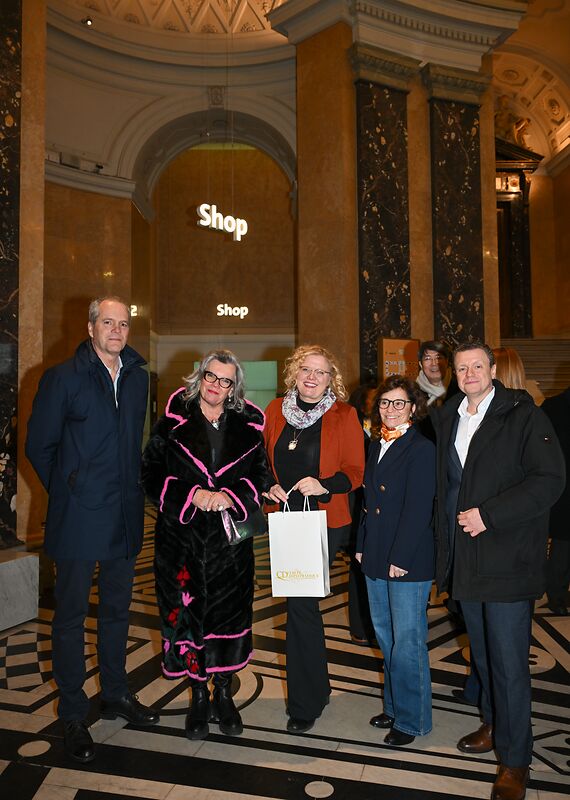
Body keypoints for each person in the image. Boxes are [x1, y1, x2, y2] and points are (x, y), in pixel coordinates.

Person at [26, 296, 159, 764]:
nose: (116, 330)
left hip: (125, 515)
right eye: (108, 322)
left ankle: (116, 693)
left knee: (117, 611)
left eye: (123, 323)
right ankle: (73, 713)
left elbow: (138, 442)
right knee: (69, 617)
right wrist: (71, 490)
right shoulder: (62, 378)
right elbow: (38, 446)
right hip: (79, 517)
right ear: (90, 327)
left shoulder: (139, 378)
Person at [432, 342, 565, 800]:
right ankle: (493, 722)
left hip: (508, 558)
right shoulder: (448, 416)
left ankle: (515, 760)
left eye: (477, 365)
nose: (469, 373)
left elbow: (549, 480)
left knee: (510, 665)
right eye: (461, 367)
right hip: (466, 560)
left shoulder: (523, 415)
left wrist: (490, 515)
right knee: (485, 657)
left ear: (493, 370)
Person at [141, 350, 273, 740]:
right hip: (181, 543)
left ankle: (224, 693)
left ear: (234, 388)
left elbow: (261, 476)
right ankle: (199, 694)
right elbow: (150, 474)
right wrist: (192, 495)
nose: (216, 385)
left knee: (229, 616)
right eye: (211, 377)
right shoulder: (172, 423)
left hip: (230, 545)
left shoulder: (248, 429)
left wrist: (231, 495)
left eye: (225, 381)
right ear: (199, 377)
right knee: (187, 617)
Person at [263, 345, 364, 734]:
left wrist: (323, 484)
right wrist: (267, 484)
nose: (312, 377)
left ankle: (305, 702)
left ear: (330, 380)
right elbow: (260, 460)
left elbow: (355, 471)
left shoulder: (344, 414)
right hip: (285, 519)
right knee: (300, 605)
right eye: (306, 369)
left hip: (324, 520)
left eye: (321, 372)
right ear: (295, 372)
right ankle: (316, 690)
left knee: (301, 604)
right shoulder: (275, 410)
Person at [356, 375, 435, 746]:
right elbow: (368, 501)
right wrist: (361, 544)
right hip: (375, 552)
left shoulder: (421, 448)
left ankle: (412, 719)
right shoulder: (377, 443)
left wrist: (400, 558)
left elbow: (419, 509)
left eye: (399, 403)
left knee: (408, 642)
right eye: (385, 402)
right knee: (386, 637)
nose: (391, 409)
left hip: (407, 558)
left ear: (413, 408)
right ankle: (394, 706)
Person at [541, 386, 570, 616]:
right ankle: (557, 594)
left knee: (563, 544)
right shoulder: (553, 406)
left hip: (561, 485)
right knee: (562, 544)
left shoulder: (552, 406)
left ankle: (558, 594)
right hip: (562, 486)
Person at [416, 340, 454, 407]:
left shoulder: (461, 389)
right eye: (428, 358)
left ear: (447, 361)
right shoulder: (413, 392)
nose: (434, 363)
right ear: (420, 364)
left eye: (438, 357)